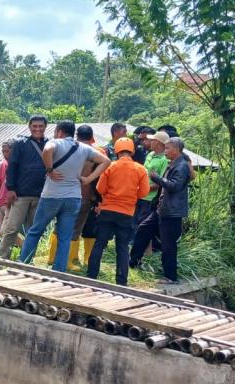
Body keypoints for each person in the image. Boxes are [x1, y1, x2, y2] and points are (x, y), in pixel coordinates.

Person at [17, 120, 109, 272]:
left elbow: (47, 150)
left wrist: (50, 169)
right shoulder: (84, 148)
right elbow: (106, 161)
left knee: (35, 231)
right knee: (65, 236)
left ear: (59, 132)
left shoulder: (56, 142)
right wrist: (88, 179)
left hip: (51, 196)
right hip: (73, 198)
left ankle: (24, 263)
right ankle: (59, 270)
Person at [87, 137, 151, 285]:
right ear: (133, 152)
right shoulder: (140, 169)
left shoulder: (110, 166)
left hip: (108, 210)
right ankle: (121, 281)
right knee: (122, 248)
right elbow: (144, 193)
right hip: (127, 213)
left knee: (99, 243)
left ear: (116, 151)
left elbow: (100, 189)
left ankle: (91, 276)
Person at [129, 136, 190, 284]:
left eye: (168, 148)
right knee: (143, 229)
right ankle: (133, 262)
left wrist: (156, 178)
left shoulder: (181, 166)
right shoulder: (174, 163)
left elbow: (174, 186)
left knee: (168, 244)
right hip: (162, 208)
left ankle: (170, 277)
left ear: (176, 149)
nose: (166, 151)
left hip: (171, 211)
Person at [0, 116, 49, 259]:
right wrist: (11, 189)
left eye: (40, 126)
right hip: (21, 195)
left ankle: (26, 259)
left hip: (41, 195)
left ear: (45, 127)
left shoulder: (50, 145)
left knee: (33, 231)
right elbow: (12, 167)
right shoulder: (20, 144)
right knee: (12, 228)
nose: (37, 129)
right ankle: (2, 257)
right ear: (29, 126)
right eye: (34, 126)